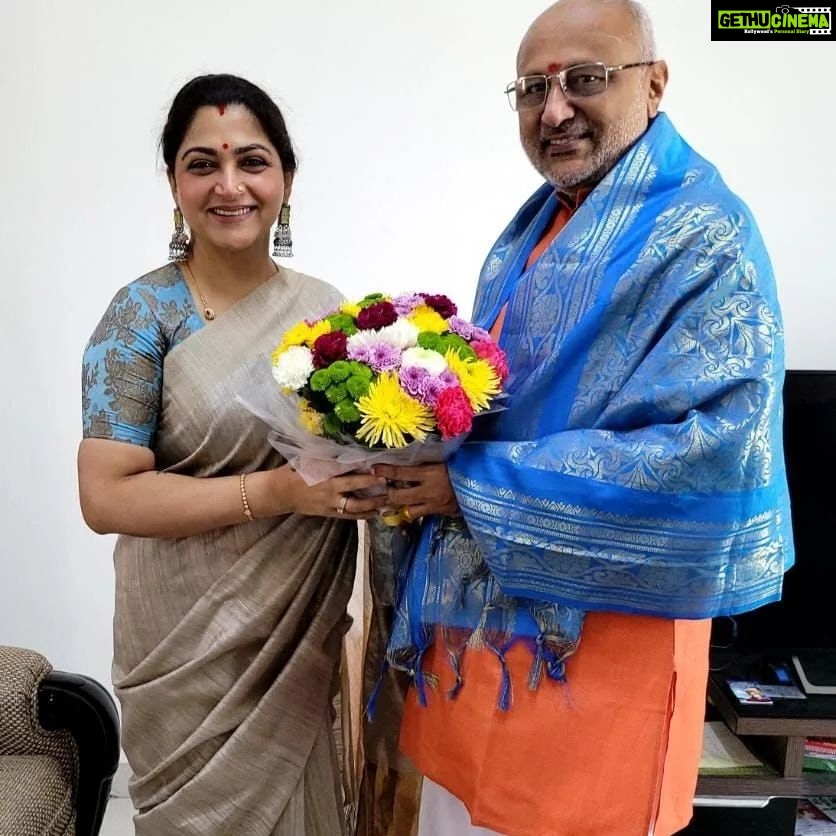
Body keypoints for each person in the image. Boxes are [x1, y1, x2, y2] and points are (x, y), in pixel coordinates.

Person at [366, 2, 795, 835]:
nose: (554, 109)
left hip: (602, 654)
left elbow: (711, 454)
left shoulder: (705, 235)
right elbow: (504, 408)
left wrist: (467, 488)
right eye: (532, 89)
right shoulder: (535, 227)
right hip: (484, 642)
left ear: (654, 84)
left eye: (585, 80)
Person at [78, 73, 388, 836]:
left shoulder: (326, 316)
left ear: (285, 176)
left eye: (252, 161)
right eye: (201, 164)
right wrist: (278, 494)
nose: (229, 186)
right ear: (174, 182)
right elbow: (106, 496)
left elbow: (363, 462)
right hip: (181, 649)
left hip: (294, 643)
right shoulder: (142, 314)